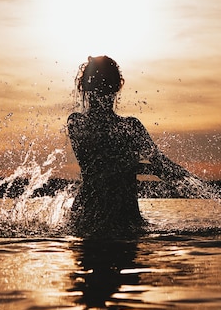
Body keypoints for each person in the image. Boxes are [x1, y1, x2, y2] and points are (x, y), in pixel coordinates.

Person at [67, 55, 193, 237]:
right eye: (101, 84)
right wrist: (148, 168)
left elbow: (163, 165)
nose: (103, 90)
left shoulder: (129, 126)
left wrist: (202, 187)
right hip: (98, 214)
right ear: (118, 86)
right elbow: (97, 167)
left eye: (106, 84)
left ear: (84, 86)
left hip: (106, 215)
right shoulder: (78, 122)